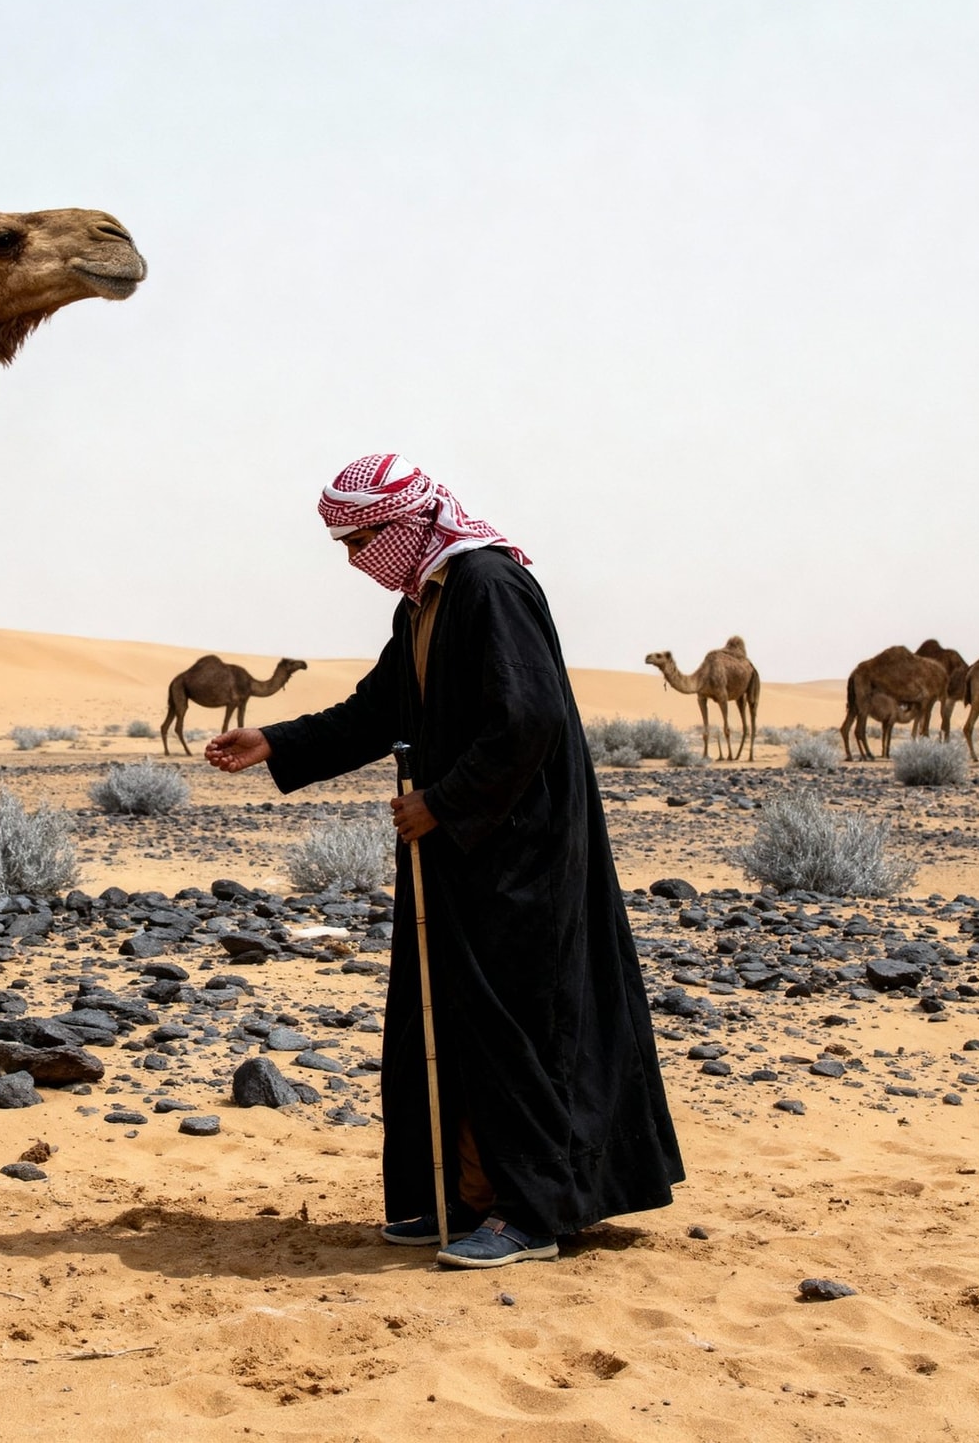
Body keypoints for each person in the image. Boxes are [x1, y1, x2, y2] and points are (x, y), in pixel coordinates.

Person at [205, 454, 684, 1269]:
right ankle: (454, 1197)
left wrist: (444, 800)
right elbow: (377, 710)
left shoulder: (490, 587)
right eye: (348, 545)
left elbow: (526, 721)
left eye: (363, 540)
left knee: (515, 1022)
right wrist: (276, 741)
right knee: (445, 1013)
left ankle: (530, 1211)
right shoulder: (424, 604)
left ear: (408, 523)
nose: (357, 559)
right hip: (461, 851)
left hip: (519, 851)